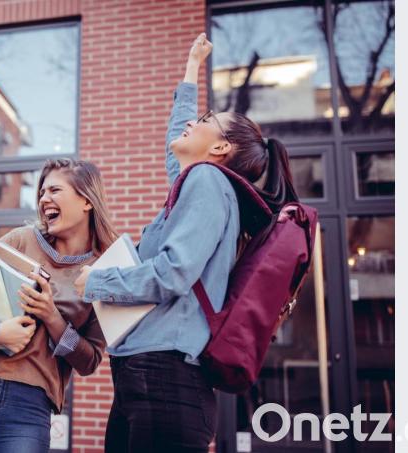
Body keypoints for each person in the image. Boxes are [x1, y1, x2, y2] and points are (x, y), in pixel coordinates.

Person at [74, 33, 300, 453]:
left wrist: (97, 283)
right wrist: (190, 69)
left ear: (219, 148)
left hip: (164, 378)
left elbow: (173, 272)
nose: (193, 122)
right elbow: (175, 140)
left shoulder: (206, 180)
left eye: (205, 120)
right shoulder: (199, 182)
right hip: (148, 377)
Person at [0, 159, 115, 453]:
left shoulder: (103, 271)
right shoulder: (21, 239)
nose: (43, 199)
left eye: (54, 190)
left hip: (29, 406)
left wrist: (51, 316)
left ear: (86, 200)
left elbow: (89, 361)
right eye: (41, 192)